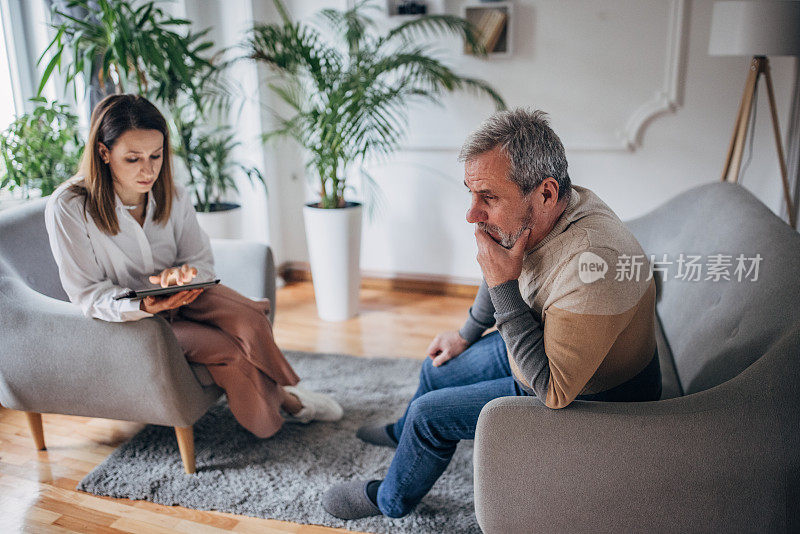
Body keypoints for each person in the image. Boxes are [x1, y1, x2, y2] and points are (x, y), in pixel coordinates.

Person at [322, 108, 662, 519]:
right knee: (437, 369)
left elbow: (553, 390)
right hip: (546, 336)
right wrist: (466, 333)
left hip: (593, 394)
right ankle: (403, 435)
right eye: (470, 193)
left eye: (488, 197)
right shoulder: (538, 213)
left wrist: (503, 286)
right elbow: (499, 262)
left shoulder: (593, 262)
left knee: (431, 417)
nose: (472, 213)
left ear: (546, 193)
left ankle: (390, 500)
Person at [45, 94, 342, 438]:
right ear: (103, 152)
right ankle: (286, 403)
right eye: (133, 158)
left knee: (249, 316)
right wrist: (144, 303)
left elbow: (200, 261)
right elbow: (87, 295)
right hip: (132, 320)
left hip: (185, 299)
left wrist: (182, 275)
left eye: (156, 156)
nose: (148, 170)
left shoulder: (173, 194)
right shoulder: (69, 206)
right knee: (230, 352)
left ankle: (286, 392)